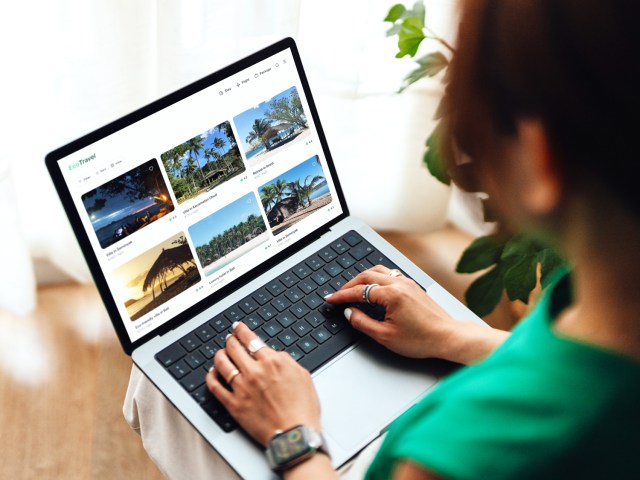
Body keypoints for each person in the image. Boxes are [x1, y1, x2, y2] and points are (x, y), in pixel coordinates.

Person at [204, 1, 640, 478]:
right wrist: (451, 335)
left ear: (542, 160)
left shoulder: (463, 450)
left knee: (183, 398)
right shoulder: (599, 299)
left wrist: (293, 436)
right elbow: (571, 367)